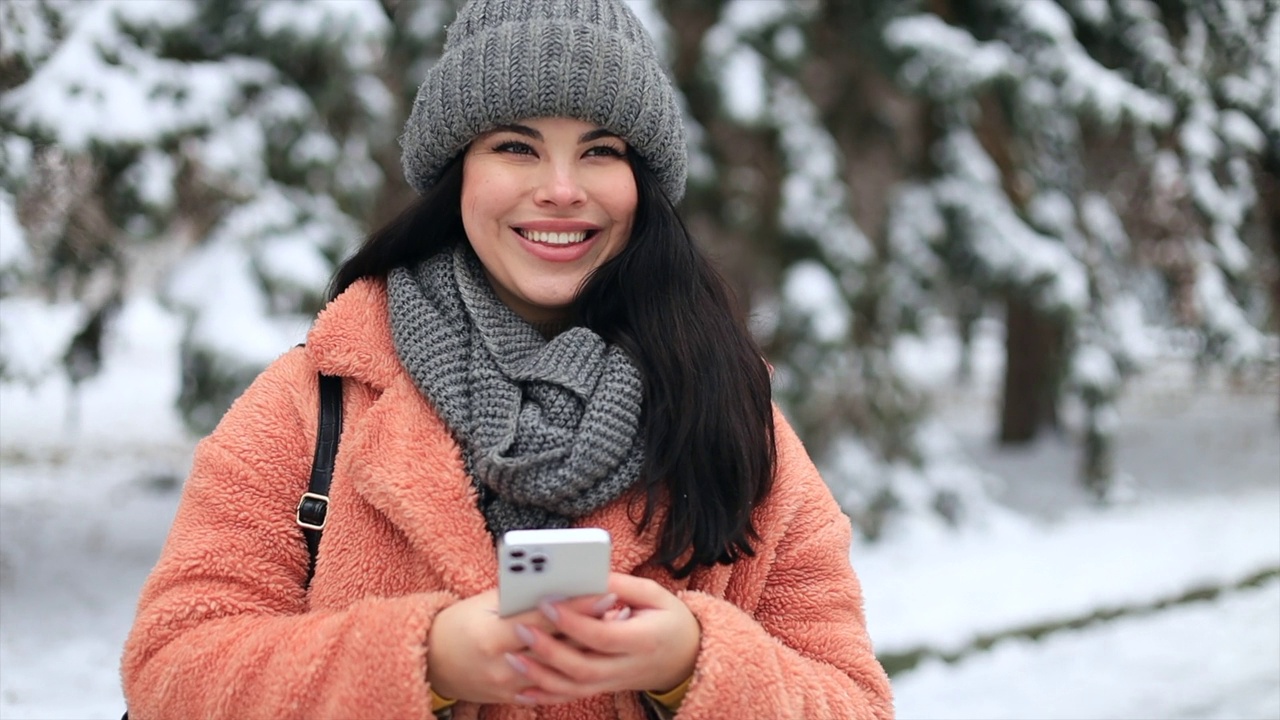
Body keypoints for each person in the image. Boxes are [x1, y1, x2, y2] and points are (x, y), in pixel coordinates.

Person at [120, 0, 894, 718]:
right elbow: (171, 670)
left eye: (600, 151)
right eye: (517, 146)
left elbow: (854, 700)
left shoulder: (727, 408)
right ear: (460, 172)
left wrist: (694, 663)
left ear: (640, 185)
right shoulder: (315, 399)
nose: (561, 189)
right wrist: (422, 662)